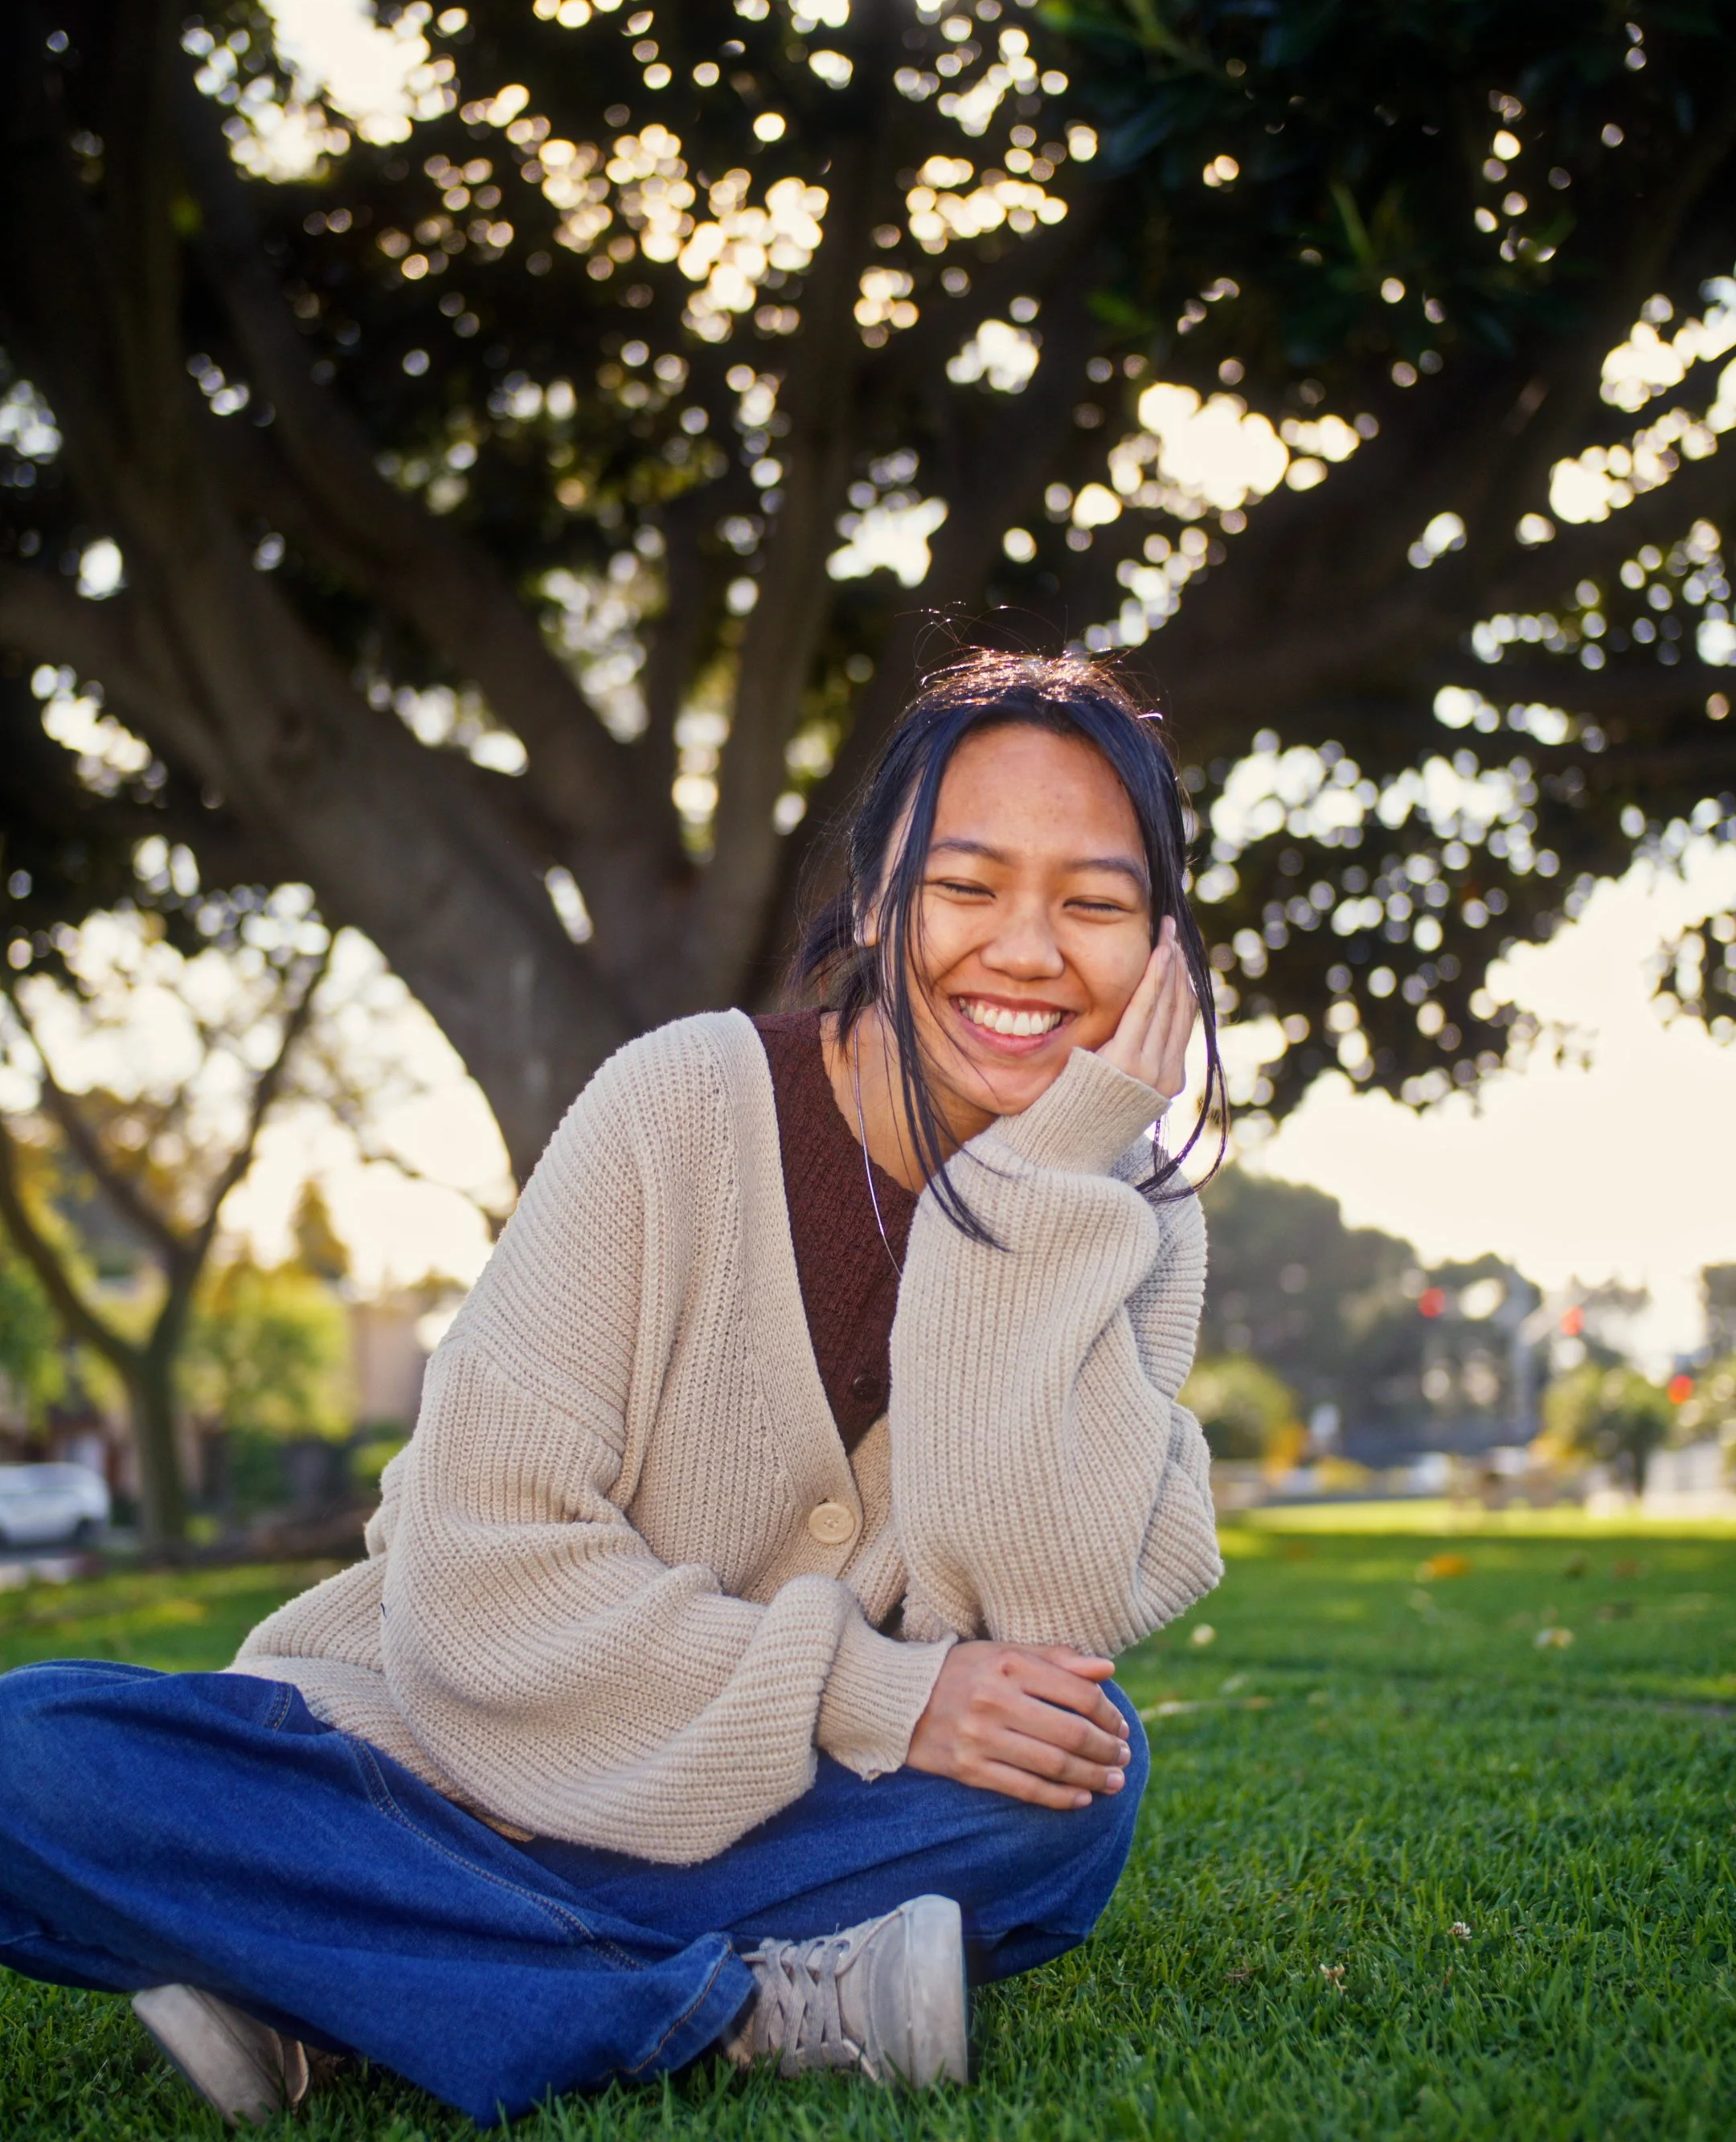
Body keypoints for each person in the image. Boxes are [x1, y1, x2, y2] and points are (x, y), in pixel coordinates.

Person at [0, 651, 1225, 2127]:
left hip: (748, 1814)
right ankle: (731, 2016)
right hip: (414, 1769)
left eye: (1094, 904)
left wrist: (1035, 1198)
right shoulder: (681, 1104)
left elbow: (1046, 1628)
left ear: (1160, 944)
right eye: (968, 887)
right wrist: (873, 1689)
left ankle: (334, 1982)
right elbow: (477, 1575)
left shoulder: (1128, 1226)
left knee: (1078, 1785)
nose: (1027, 951)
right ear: (881, 903)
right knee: (30, 1759)